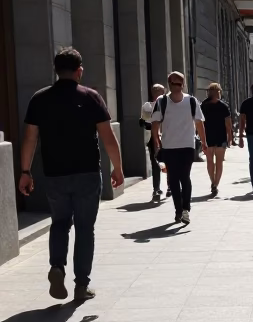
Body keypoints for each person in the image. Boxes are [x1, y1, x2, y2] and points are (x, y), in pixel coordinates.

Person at [18, 47, 124, 302]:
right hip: (87, 173)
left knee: (60, 223)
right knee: (85, 228)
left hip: (54, 174)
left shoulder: (39, 98)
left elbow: (30, 138)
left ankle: (57, 267)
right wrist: (117, 168)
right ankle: (81, 285)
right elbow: (107, 137)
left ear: (56, 70)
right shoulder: (91, 97)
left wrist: (25, 172)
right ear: (79, 71)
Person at [150, 71, 207, 225]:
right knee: (173, 180)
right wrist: (156, 142)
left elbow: (199, 123)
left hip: (187, 146)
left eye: (179, 83)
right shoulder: (162, 102)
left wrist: (204, 142)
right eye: (174, 83)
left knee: (185, 177)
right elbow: (155, 124)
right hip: (169, 147)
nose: (177, 86)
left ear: (183, 84)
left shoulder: (191, 101)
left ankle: (186, 209)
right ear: (169, 84)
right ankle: (178, 211)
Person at [200, 83, 232, 197]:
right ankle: (215, 184)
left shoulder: (203, 105)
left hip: (208, 136)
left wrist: (200, 137)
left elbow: (200, 122)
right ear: (218, 92)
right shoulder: (223, 106)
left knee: (209, 161)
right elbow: (228, 123)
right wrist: (230, 137)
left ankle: (212, 181)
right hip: (221, 137)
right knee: (219, 162)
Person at [140, 83, 165, 203]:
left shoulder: (167, 104)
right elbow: (142, 122)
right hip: (152, 139)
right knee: (156, 163)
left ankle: (170, 186)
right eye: (156, 91)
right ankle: (156, 188)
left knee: (169, 162)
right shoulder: (147, 106)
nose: (158, 93)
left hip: (167, 137)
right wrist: (151, 124)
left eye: (160, 91)